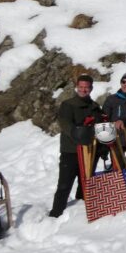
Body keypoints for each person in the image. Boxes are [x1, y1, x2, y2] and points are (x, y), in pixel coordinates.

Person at [50, 74, 105, 217]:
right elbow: (65, 124)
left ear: (91, 88)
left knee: (85, 183)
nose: (83, 90)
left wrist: (102, 147)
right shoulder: (68, 105)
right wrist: (78, 133)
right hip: (71, 151)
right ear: (77, 87)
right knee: (64, 184)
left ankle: (79, 212)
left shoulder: (94, 107)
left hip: (89, 151)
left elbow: (99, 126)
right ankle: (56, 213)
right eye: (81, 87)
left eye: (86, 87)